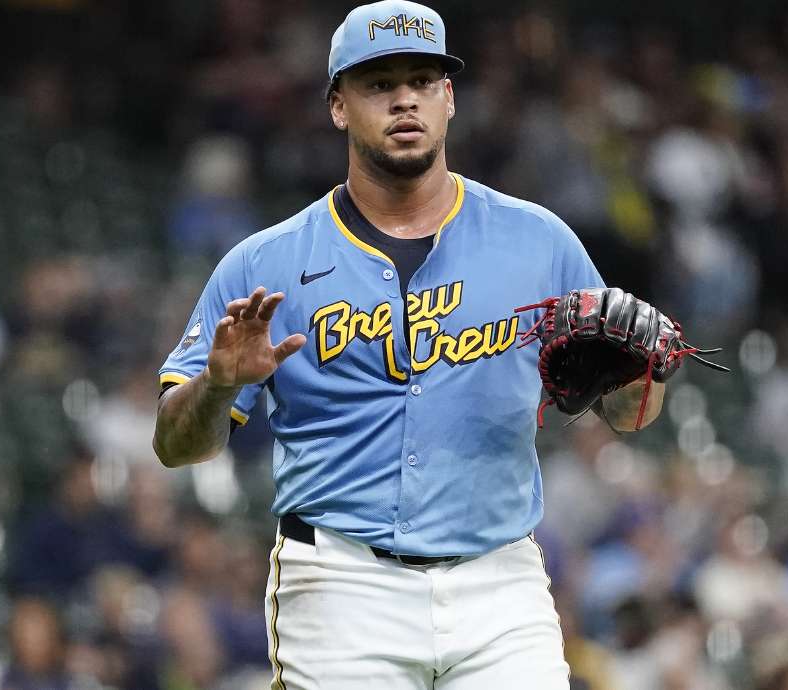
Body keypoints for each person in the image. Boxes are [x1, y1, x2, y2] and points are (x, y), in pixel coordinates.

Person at [153, 2, 679, 687]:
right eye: (379, 83)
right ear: (338, 106)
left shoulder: (540, 242)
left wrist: (644, 372)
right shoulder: (264, 265)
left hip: (499, 583)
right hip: (342, 585)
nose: (405, 99)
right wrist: (218, 384)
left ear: (449, 98)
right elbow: (176, 446)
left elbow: (630, 415)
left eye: (423, 81)